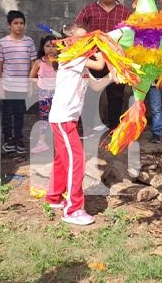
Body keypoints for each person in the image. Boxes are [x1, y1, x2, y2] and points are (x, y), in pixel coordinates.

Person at [44, 24, 115, 225]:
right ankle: (72, 210)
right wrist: (104, 46)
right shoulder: (70, 57)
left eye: (88, 38)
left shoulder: (80, 62)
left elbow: (96, 83)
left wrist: (114, 76)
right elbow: (100, 64)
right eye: (83, 39)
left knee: (62, 159)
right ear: (67, 41)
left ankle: (54, 197)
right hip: (63, 119)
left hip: (68, 120)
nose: (87, 42)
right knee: (77, 160)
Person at [75, 0, 131, 133]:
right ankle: (88, 127)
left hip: (115, 60)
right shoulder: (88, 10)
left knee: (116, 94)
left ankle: (114, 126)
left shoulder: (125, 12)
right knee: (90, 93)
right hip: (93, 58)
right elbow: (77, 30)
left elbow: (132, 34)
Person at [0, 10, 36, 154]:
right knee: (7, 113)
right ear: (8, 25)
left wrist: (31, 84)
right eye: (15, 23)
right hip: (7, 85)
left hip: (22, 87)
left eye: (21, 23)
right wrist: (0, 86)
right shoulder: (2, 42)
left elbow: (33, 64)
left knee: (19, 113)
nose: (19, 26)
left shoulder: (29, 42)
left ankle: (18, 138)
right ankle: (8, 138)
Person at [29, 34, 58, 154]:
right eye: (47, 46)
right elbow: (31, 78)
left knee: (58, 117)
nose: (51, 49)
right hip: (44, 94)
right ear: (42, 48)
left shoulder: (60, 62)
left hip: (58, 94)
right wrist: (40, 81)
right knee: (44, 118)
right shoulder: (38, 63)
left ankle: (58, 142)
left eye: (54, 46)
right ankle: (42, 142)